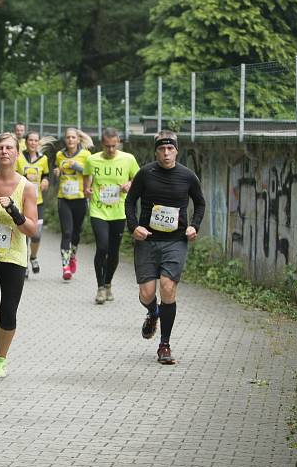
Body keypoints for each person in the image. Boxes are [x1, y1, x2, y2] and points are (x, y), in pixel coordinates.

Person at [124, 130, 206, 365]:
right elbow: (130, 201)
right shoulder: (145, 173)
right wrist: (133, 227)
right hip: (147, 240)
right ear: (156, 150)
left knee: (168, 289)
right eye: (162, 148)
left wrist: (194, 226)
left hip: (175, 241)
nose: (166, 153)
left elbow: (200, 203)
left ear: (177, 150)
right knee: (147, 293)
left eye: (170, 149)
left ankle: (164, 345)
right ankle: (152, 312)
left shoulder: (188, 176)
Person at [0, 132, 38, 378]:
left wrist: (14, 210)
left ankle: (0, 359)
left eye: (9, 148)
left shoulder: (27, 187)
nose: (4, 151)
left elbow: (31, 228)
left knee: (10, 309)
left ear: (17, 153)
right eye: (0, 147)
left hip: (13, 253)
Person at [83, 128, 139, 304]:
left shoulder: (128, 159)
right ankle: (100, 287)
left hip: (119, 210)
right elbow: (86, 185)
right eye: (107, 146)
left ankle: (108, 284)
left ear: (119, 143)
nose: (111, 150)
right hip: (98, 210)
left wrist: (129, 184)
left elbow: (138, 179)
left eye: (114, 146)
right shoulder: (92, 160)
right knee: (102, 247)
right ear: (102, 144)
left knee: (114, 251)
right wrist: (87, 190)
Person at [53, 127, 91, 280]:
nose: (70, 140)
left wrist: (76, 166)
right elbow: (59, 172)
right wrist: (57, 172)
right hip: (64, 199)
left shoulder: (86, 154)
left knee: (76, 233)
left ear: (78, 139)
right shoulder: (59, 155)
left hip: (80, 199)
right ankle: (65, 266)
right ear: (65, 139)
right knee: (67, 232)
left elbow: (90, 172)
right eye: (68, 137)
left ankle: (73, 255)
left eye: (73, 138)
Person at [15, 130, 49, 275]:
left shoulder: (43, 159)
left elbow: (46, 174)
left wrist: (46, 180)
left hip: (38, 202)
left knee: (36, 234)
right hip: (22, 201)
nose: (33, 143)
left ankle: (33, 257)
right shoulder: (19, 157)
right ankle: (24, 264)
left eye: (36, 140)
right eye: (31, 140)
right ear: (26, 141)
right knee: (24, 233)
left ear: (38, 143)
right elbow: (14, 174)